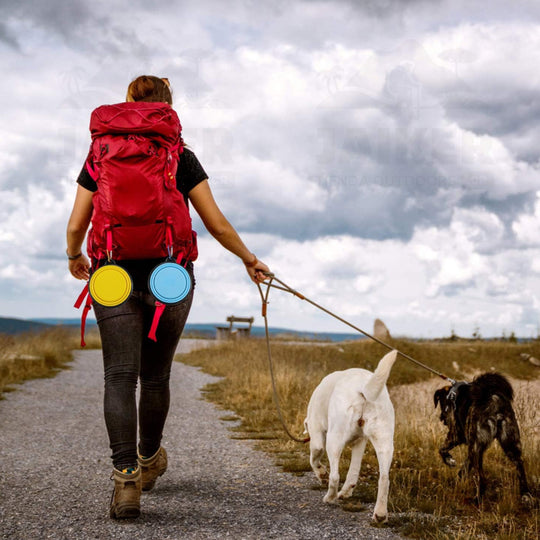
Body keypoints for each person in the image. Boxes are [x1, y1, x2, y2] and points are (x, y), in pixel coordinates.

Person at [66, 75, 269, 519]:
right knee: (155, 377)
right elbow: (214, 223)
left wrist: (73, 255)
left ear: (127, 103)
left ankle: (125, 481)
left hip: (112, 275)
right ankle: (149, 458)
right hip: (169, 276)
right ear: (167, 107)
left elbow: (77, 222)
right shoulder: (179, 155)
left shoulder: (100, 152)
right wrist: (248, 259)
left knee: (119, 377)